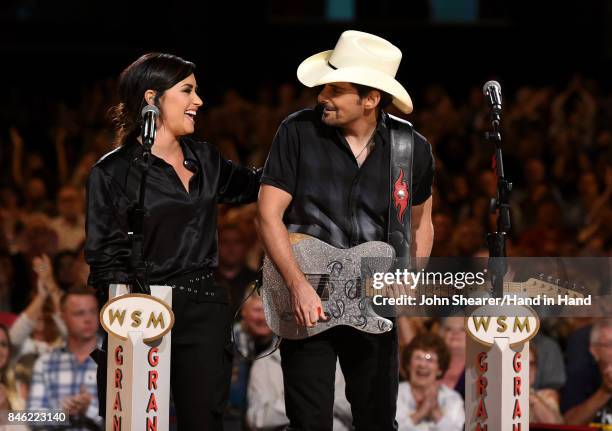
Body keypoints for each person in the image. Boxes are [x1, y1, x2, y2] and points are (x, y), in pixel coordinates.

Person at [257, 30, 434, 430]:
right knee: (309, 420)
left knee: (376, 420)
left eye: (335, 89)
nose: (322, 97)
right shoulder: (297, 131)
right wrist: (297, 283)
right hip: (307, 300)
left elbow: (422, 222)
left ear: (370, 98)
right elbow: (268, 215)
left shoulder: (412, 148)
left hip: (374, 303)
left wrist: (412, 274)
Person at [84, 53, 261, 430]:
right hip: (142, 311)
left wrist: (303, 153)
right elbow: (104, 260)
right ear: (152, 98)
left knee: (204, 422)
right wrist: (128, 318)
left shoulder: (206, 158)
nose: (198, 100)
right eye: (187, 91)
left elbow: (256, 185)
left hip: (204, 309)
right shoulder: (112, 171)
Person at [27, 287, 101, 429]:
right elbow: (30, 417)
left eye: (93, 311)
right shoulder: (45, 362)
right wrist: (62, 413)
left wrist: (89, 410)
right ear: (62, 317)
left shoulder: (113, 360)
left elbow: (124, 418)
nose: (88, 319)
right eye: (79, 313)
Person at [395, 333, 464, 430]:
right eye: (418, 357)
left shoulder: (452, 399)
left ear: (440, 369)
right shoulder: (394, 395)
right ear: (408, 365)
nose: (423, 365)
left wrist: (436, 413)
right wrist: (420, 413)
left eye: (430, 360)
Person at [564, 318, 612, 426]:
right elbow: (569, 423)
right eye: (610, 344)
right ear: (594, 350)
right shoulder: (581, 373)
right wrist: (605, 391)